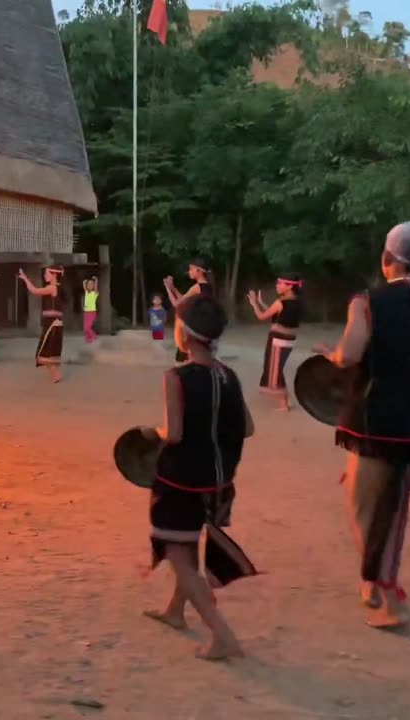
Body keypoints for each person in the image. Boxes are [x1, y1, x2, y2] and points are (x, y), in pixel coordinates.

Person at [315, 222, 410, 630]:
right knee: (395, 509)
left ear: (386, 260)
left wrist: (333, 354)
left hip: (382, 426)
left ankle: (385, 593)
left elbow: (351, 353)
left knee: (373, 510)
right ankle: (373, 581)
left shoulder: (368, 301)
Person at [141, 293, 255, 660]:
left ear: (184, 335)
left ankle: (222, 635)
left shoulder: (176, 377)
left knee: (177, 552)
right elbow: (248, 427)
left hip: (181, 482)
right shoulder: (228, 375)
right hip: (219, 482)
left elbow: (173, 435)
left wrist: (151, 432)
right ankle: (176, 612)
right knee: (188, 544)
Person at [248, 273, 304, 411]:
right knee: (278, 369)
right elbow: (278, 315)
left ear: (290, 286)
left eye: (280, 283)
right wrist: (261, 303)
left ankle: (284, 404)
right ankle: (286, 400)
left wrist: (254, 303)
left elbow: (261, 316)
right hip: (289, 341)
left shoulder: (281, 302)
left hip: (278, 341)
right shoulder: (298, 301)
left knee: (274, 371)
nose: (277, 286)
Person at [164, 258, 216, 364]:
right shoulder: (207, 287)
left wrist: (168, 288)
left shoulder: (197, 288)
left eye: (191, 269)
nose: (189, 272)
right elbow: (183, 299)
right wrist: (173, 288)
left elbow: (177, 304)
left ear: (199, 270)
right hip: (204, 328)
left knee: (182, 363)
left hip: (192, 330)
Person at [19, 266, 65, 384]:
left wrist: (25, 279)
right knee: (45, 353)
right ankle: (55, 375)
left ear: (54, 275)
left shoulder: (52, 288)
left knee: (43, 353)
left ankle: (56, 374)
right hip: (52, 323)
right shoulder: (56, 288)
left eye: (46, 274)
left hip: (53, 323)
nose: (45, 276)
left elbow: (34, 291)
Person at [83, 277, 99, 344]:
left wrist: (96, 281)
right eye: (88, 284)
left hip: (92, 312)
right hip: (86, 312)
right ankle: (88, 340)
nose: (89, 286)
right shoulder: (86, 292)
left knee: (88, 328)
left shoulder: (95, 293)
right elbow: (84, 286)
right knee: (85, 328)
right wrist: (84, 282)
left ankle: (94, 337)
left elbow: (95, 287)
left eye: (91, 284)